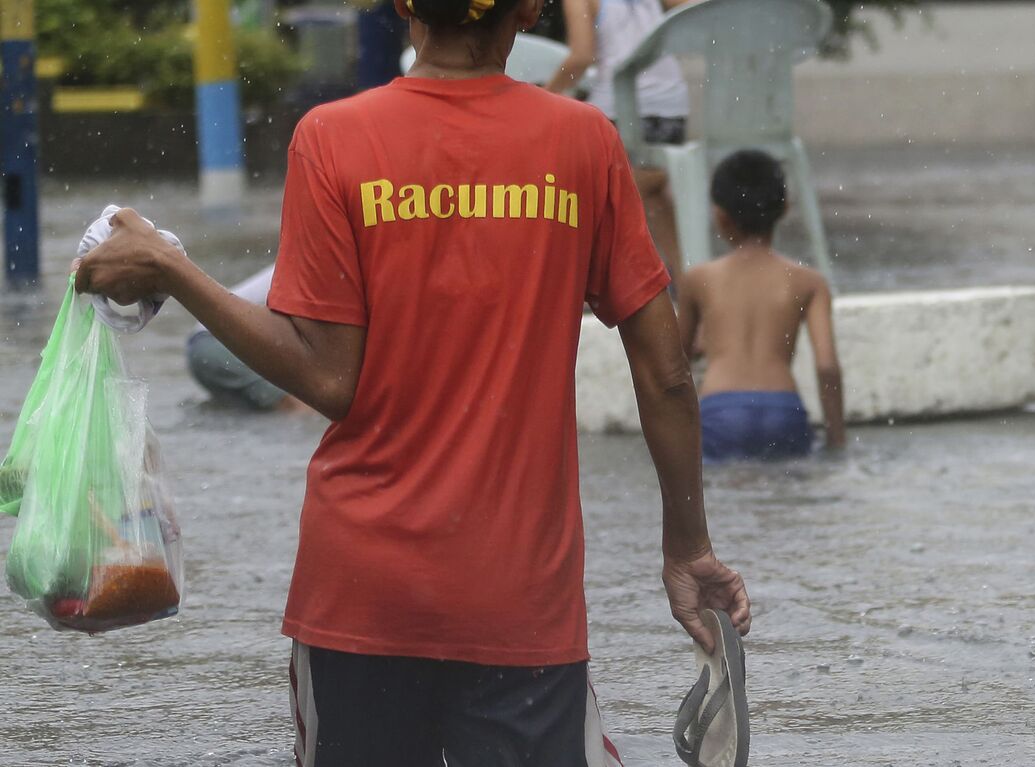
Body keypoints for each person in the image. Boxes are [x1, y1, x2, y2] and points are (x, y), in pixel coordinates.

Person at [73, 0, 749, 763]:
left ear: (404, 7)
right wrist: (686, 546)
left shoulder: (333, 138)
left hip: (362, 593)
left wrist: (174, 270)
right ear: (528, 11)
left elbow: (328, 379)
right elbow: (663, 373)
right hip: (519, 602)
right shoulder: (584, 142)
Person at [677, 149, 846, 462]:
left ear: (720, 215)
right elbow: (827, 367)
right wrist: (837, 441)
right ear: (784, 208)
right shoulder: (809, 281)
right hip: (784, 411)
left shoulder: (698, 279)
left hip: (720, 411)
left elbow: (676, 365)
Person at [548, 0, 693, 280]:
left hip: (621, 107)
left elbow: (581, 57)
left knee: (583, 188)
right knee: (651, 190)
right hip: (673, 108)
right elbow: (696, 11)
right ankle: (683, 277)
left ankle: (594, 278)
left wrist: (547, 91)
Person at [182, 265, 307, 412]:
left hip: (206, 343)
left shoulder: (305, 258)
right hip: (218, 343)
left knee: (248, 415)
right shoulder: (317, 266)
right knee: (299, 407)